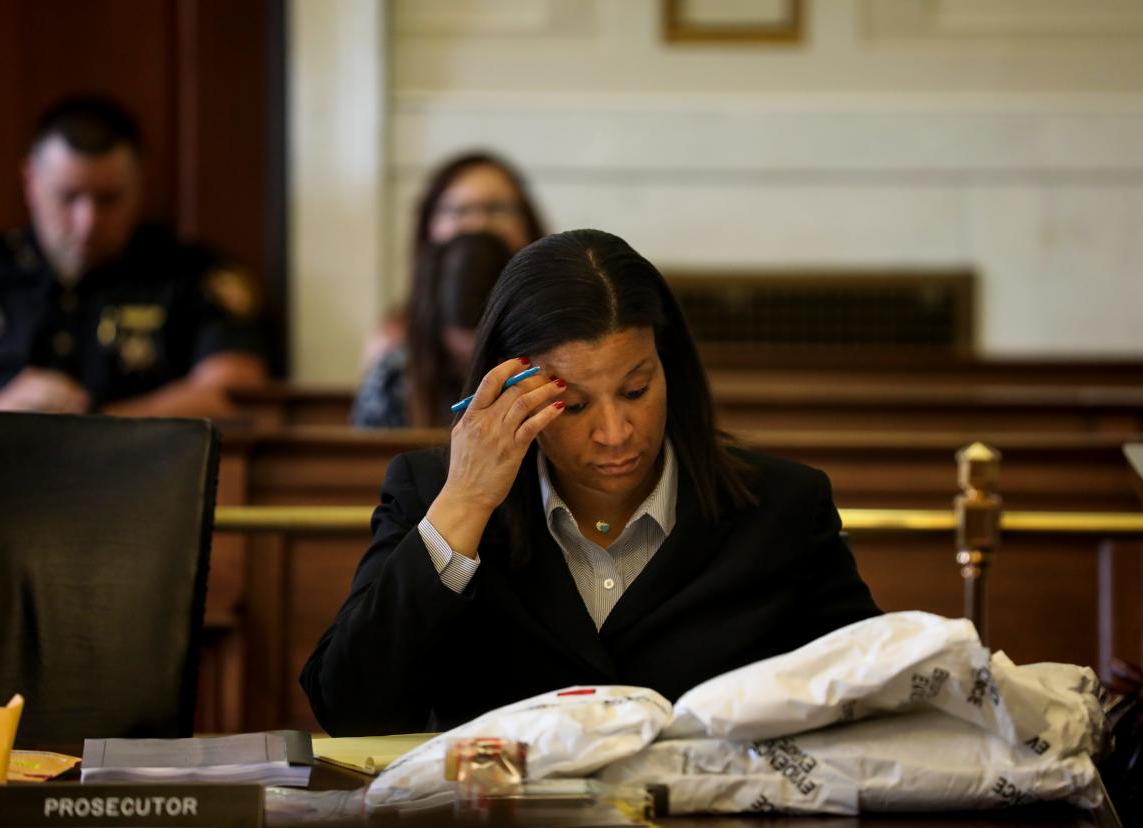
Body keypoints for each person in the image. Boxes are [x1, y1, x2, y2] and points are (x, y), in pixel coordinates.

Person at [302, 229, 880, 735]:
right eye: (573, 405)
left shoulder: (783, 507)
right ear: (510, 391)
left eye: (635, 391)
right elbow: (353, 712)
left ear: (669, 369)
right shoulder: (435, 494)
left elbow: (876, 693)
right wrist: (468, 502)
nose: (614, 432)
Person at [0, 96, 268, 416]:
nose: (87, 222)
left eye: (109, 199)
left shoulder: (193, 275)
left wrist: (100, 430)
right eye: (67, 197)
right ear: (31, 181)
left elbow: (235, 389)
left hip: (146, 463)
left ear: (139, 185)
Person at [359, 151, 545, 371]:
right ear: (429, 227)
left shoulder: (559, 330)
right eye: (458, 210)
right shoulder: (393, 344)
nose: (478, 223)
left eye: (496, 208)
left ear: (527, 224)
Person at [351, 231, 512, 428]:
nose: (473, 359)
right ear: (434, 325)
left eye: (485, 345)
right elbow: (364, 453)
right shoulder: (393, 377)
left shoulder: (530, 369)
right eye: (460, 353)